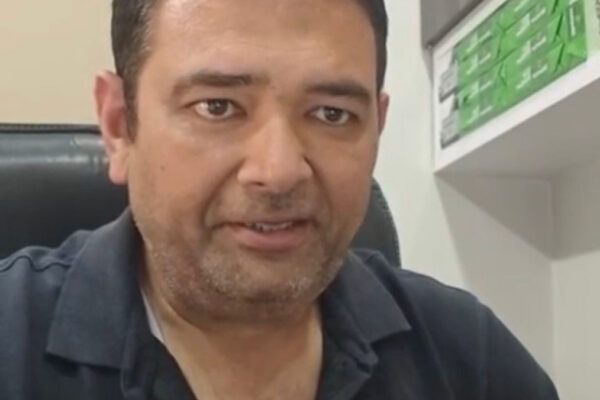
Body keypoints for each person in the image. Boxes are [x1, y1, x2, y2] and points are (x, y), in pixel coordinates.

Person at [0, 0, 559, 399]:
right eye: (218, 107)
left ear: (376, 128)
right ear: (120, 125)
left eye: (332, 114)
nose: (279, 171)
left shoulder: (469, 360)